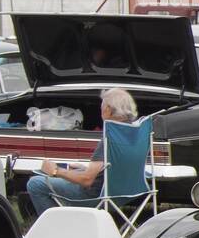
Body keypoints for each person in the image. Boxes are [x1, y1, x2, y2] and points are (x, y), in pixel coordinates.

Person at [26, 88, 138, 216]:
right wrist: (84, 168)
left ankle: (56, 227)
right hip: (126, 192)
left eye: (102, 105)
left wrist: (56, 171)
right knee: (75, 171)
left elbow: (87, 180)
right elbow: (116, 167)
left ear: (108, 110)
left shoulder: (110, 137)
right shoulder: (134, 132)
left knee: (35, 183)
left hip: (95, 195)